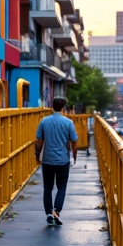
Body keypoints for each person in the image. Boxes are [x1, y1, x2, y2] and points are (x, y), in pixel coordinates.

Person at [34, 97, 78, 226]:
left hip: (47, 160)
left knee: (47, 188)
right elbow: (74, 140)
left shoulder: (44, 121)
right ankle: (56, 212)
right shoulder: (68, 122)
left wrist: (37, 156)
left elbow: (39, 142)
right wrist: (74, 156)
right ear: (63, 107)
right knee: (62, 187)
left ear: (52, 106)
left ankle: (48, 213)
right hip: (63, 160)